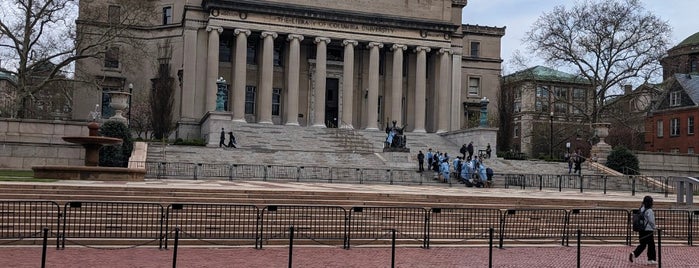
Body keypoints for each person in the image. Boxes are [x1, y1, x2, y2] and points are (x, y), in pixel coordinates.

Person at [630, 196, 656, 265]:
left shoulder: (641, 209)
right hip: (648, 230)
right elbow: (651, 221)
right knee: (651, 245)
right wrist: (654, 227)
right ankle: (651, 259)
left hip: (641, 229)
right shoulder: (649, 210)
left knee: (643, 244)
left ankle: (634, 253)